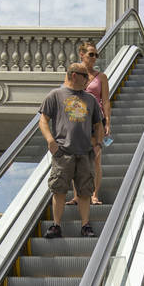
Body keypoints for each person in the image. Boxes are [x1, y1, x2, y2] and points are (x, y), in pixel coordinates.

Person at [38, 63, 104, 238]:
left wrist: (98, 144)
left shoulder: (91, 100)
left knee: (85, 191)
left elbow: (98, 124)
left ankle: (85, 225)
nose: (88, 81)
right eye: (85, 77)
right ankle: (56, 225)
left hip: (85, 152)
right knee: (59, 189)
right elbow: (43, 120)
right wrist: (51, 141)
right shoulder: (55, 95)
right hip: (63, 152)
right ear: (74, 75)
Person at [67, 40, 109, 207]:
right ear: (82, 54)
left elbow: (105, 100)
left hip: (96, 120)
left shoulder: (102, 77)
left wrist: (108, 122)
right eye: (91, 54)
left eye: (96, 55)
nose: (94, 58)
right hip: (77, 120)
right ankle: (77, 196)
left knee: (95, 159)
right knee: (77, 159)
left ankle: (93, 194)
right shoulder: (74, 73)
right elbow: (68, 93)